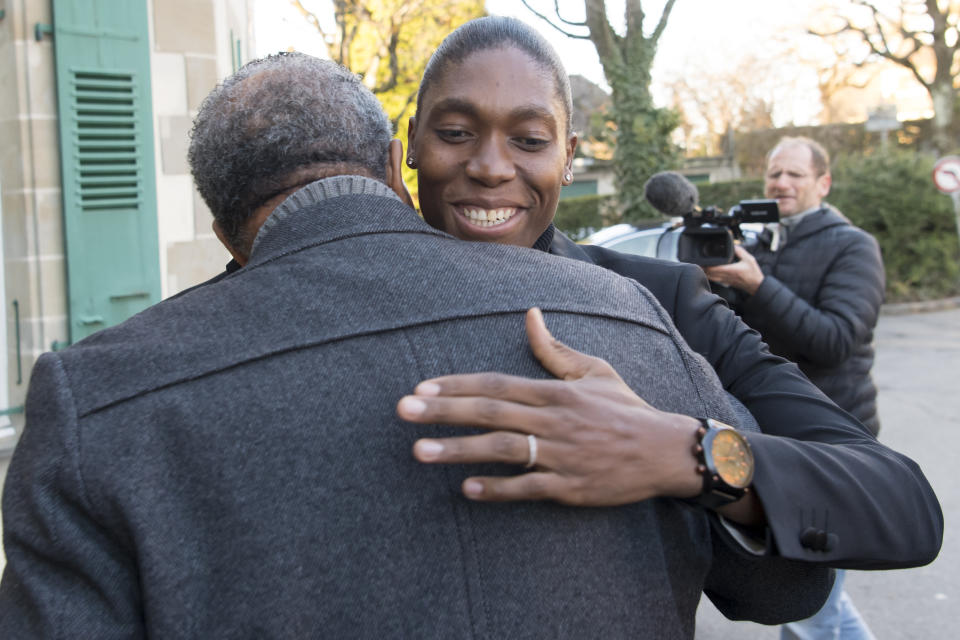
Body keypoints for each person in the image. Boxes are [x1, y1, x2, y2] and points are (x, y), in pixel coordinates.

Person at [0, 53, 835, 638]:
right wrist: (703, 457)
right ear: (397, 167)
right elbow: (787, 584)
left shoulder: (98, 401)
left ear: (224, 231)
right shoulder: (622, 318)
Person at [398, 11, 940, 590]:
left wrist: (686, 454)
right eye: (455, 132)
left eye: (529, 140)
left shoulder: (665, 298)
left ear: (570, 156)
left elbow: (901, 501)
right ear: (409, 143)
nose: (490, 167)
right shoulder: (340, 300)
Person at [704, 137, 883, 639]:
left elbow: (834, 341)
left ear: (823, 183)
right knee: (818, 602)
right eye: (773, 174)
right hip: (775, 436)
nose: (780, 183)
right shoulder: (758, 244)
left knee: (808, 605)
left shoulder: (854, 247)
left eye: (794, 175)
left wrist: (760, 286)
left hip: (834, 440)